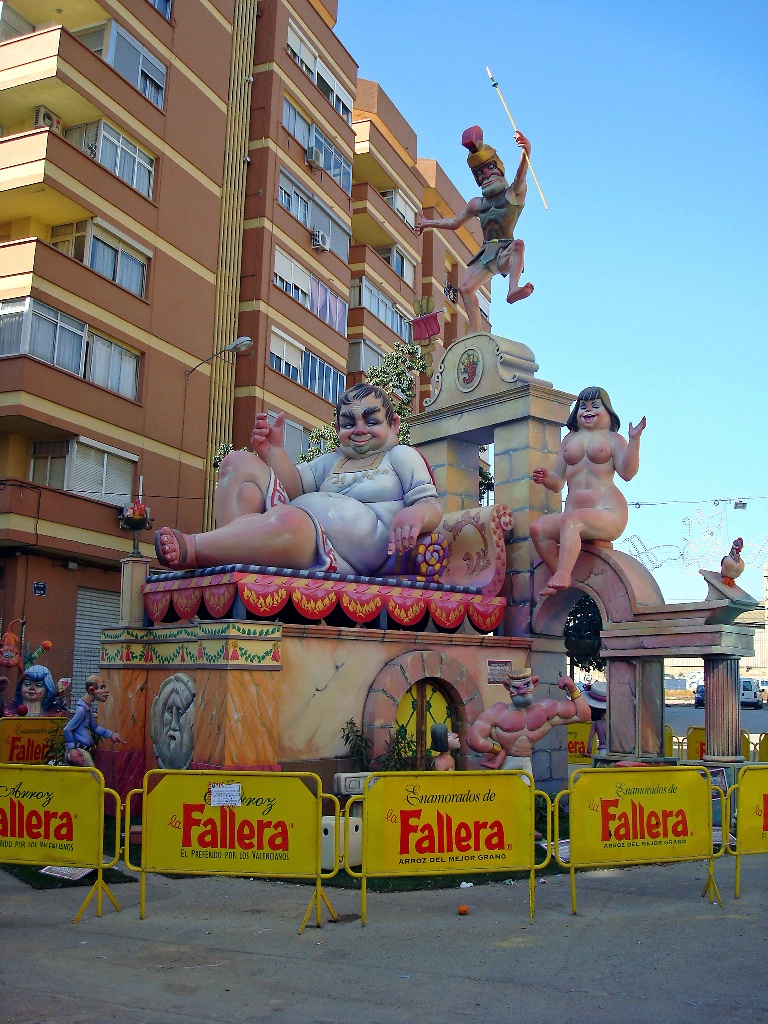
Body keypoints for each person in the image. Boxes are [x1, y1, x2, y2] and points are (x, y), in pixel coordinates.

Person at [155, 384, 443, 576]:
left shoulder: (400, 456)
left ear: (392, 424)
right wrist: (273, 451)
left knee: (291, 521)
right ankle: (233, 559)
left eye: (370, 421)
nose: (359, 429)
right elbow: (293, 489)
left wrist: (416, 513)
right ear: (337, 428)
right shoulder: (331, 461)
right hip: (300, 526)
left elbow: (431, 505)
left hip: (355, 552)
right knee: (237, 464)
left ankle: (197, 548)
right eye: (348, 423)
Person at [415, 125, 533, 334]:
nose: (485, 175)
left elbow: (521, 178)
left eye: (489, 169)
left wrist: (526, 153)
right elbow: (454, 222)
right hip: (485, 254)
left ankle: (513, 288)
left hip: (505, 253)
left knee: (519, 245)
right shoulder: (477, 204)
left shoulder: (512, 195)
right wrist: (427, 223)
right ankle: (476, 332)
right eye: (479, 173)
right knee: (465, 288)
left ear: (499, 168)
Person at [531, 386, 646, 596]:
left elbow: (627, 473)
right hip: (573, 516)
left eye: (595, 406)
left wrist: (635, 441)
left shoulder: (613, 439)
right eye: (582, 406)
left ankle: (563, 574)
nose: (587, 410)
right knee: (539, 528)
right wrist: (546, 478)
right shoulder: (569, 439)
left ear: (607, 411)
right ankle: (565, 577)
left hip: (608, 512)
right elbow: (558, 482)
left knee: (571, 521)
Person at [467, 668, 590, 777]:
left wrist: (573, 688)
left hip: (526, 765)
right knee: (504, 797)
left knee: (526, 797)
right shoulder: (498, 712)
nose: (521, 691)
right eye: (516, 687)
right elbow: (473, 739)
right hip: (504, 763)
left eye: (526, 685)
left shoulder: (546, 708)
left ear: (534, 683)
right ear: (507, 687)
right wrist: (499, 752)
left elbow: (583, 715)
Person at [63, 676, 126, 767]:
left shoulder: (87, 709)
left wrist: (111, 734)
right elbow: (67, 729)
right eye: (102, 688)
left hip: (84, 750)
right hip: (79, 751)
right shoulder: (82, 711)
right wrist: (72, 749)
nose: (106, 691)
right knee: (94, 778)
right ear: (92, 690)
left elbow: (94, 727)